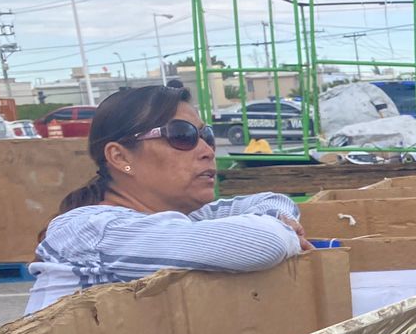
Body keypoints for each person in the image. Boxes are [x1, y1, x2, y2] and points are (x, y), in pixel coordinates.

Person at [27, 83, 308, 313]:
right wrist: (284, 230)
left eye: (205, 135)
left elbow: (275, 200)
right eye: (182, 136)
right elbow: (262, 244)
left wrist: (275, 219)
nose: (207, 150)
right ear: (120, 156)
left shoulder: (179, 217)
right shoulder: (94, 229)